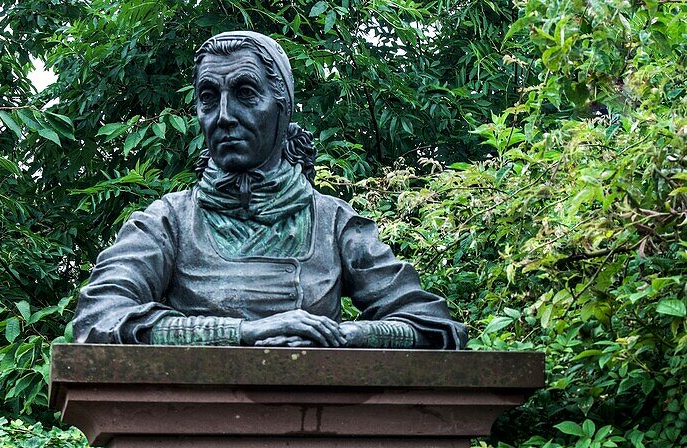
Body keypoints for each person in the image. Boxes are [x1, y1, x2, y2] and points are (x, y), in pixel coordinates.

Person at [73, 31, 467, 350]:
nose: (224, 116)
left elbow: (433, 325)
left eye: (245, 93)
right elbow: (99, 319)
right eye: (209, 97)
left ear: (282, 107)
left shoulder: (334, 223)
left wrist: (343, 337)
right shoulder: (165, 223)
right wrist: (243, 334)